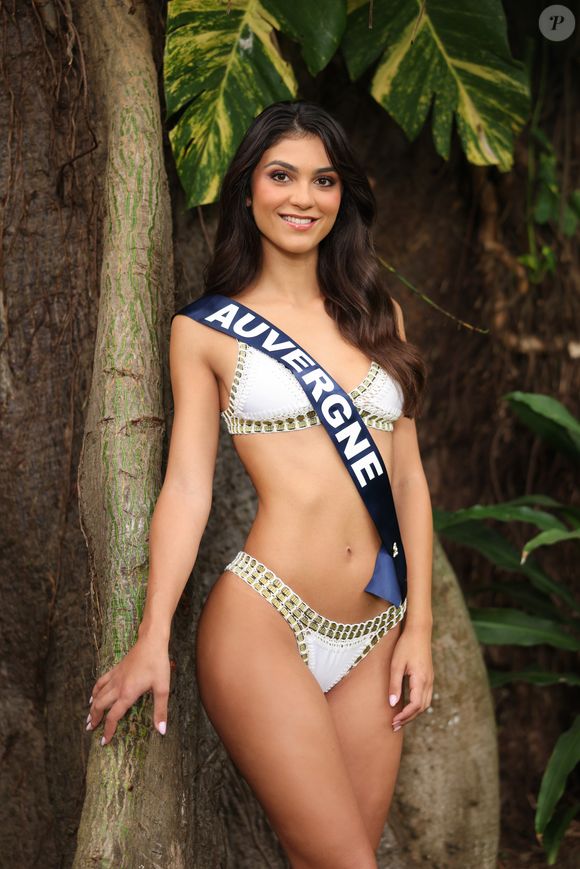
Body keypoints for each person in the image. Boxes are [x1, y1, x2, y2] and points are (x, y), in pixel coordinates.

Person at [86, 100, 434, 868]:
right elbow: (186, 487)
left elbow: (406, 478)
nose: (303, 198)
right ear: (248, 190)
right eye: (282, 176)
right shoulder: (206, 329)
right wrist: (153, 635)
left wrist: (420, 629)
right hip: (264, 624)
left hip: (378, 628)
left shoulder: (379, 316)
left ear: (344, 197)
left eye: (324, 179)